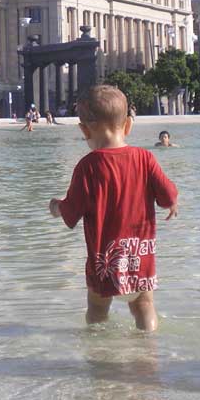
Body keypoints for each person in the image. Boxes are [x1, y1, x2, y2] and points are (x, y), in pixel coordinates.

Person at [48, 85, 178, 332]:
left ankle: (100, 357)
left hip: (103, 262)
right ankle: (148, 351)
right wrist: (172, 203)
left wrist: (56, 207)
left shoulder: (87, 167)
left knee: (97, 310)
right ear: (128, 125)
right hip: (140, 257)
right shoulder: (145, 158)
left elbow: (71, 212)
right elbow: (168, 194)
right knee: (144, 305)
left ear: (84, 130)